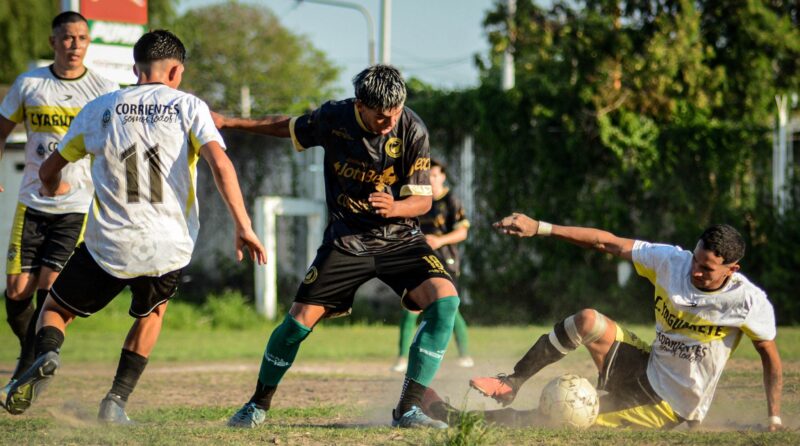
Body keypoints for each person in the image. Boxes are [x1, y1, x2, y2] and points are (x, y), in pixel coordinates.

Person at [2, 29, 267, 420]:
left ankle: (47, 355)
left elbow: (50, 168)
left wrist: (52, 184)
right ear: (176, 71)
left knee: (55, 309)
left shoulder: (99, 107)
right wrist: (243, 225)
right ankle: (115, 402)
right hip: (168, 245)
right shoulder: (189, 106)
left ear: (134, 69)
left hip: (108, 243)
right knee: (152, 313)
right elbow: (221, 164)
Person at [214, 64, 460, 429]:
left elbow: (422, 201)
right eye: (381, 117)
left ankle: (408, 409)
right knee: (298, 321)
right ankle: (256, 405)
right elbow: (288, 126)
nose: (390, 123)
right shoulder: (334, 118)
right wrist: (230, 123)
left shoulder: (412, 128)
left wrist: (395, 207)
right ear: (360, 104)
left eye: (395, 115)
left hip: (400, 238)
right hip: (347, 240)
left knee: (445, 300)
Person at [451, 213, 783, 431]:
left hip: (668, 404)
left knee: (563, 417)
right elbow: (606, 242)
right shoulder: (672, 262)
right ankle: (512, 381)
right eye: (696, 260)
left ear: (731, 270)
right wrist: (541, 227)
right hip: (646, 365)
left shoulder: (748, 302)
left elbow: (770, 357)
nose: (695, 271)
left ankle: (463, 420)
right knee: (587, 320)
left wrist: (773, 416)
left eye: (706, 269)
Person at [0, 12, 168, 424]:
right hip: (32, 202)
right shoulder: (29, 84)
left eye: (81, 38)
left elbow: (124, 142)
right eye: (67, 38)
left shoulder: (104, 90)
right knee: (18, 290)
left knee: (50, 284)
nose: (74, 44)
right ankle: (31, 355)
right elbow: (2, 129)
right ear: (53, 40)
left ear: (89, 43)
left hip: (77, 205)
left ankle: (41, 359)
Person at [392, 159, 472, 372]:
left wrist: (440, 240)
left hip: (445, 262)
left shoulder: (451, 200)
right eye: (429, 176)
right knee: (409, 309)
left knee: (449, 308)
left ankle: (464, 355)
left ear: (443, 177)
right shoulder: (418, 200)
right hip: (420, 261)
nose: (432, 179)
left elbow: (462, 231)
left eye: (436, 175)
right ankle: (401, 358)